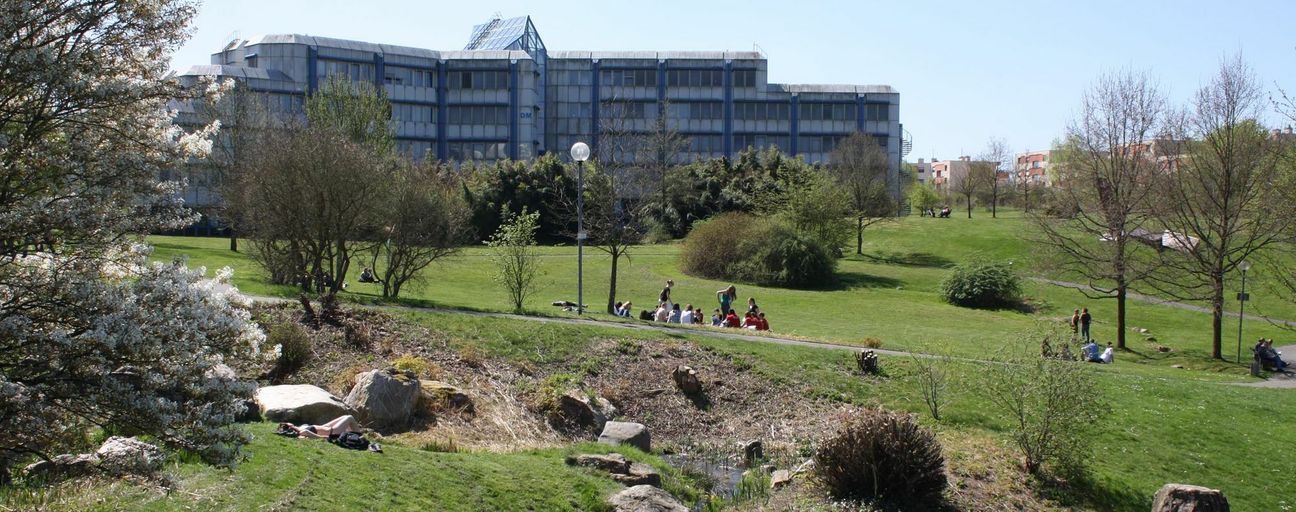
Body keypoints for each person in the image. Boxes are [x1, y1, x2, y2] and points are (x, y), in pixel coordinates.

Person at [277, 415, 362, 439]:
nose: (288, 422)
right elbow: (314, 436)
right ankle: (359, 437)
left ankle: (354, 436)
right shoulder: (301, 432)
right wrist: (324, 437)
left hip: (325, 427)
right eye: (287, 424)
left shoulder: (300, 428)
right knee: (349, 418)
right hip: (333, 432)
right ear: (290, 427)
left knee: (345, 416)